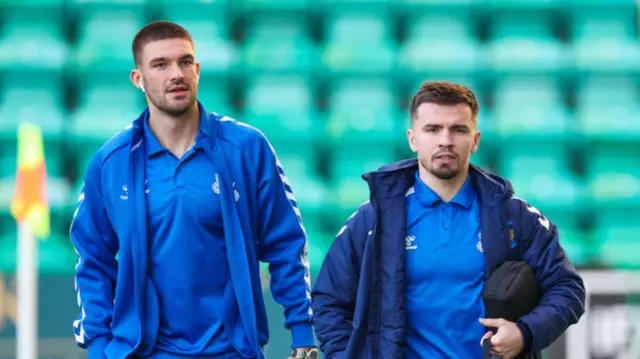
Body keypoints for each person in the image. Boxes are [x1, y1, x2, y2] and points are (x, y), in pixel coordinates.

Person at [70, 21, 318, 359]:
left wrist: (302, 328)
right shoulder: (110, 162)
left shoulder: (246, 148)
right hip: (144, 351)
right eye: (160, 64)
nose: (176, 73)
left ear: (197, 70)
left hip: (232, 350)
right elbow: (93, 259)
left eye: (185, 62)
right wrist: (98, 347)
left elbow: (286, 243)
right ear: (138, 78)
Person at [311, 81, 586, 359]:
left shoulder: (515, 216)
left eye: (458, 129)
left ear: (475, 139)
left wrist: (525, 333)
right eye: (432, 129)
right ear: (412, 138)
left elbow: (567, 288)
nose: (445, 140)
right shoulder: (374, 219)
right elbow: (328, 301)